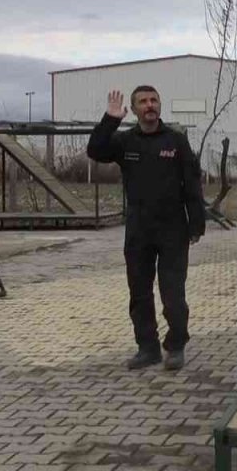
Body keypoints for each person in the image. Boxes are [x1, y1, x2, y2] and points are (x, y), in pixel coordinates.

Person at [87, 85, 205, 370]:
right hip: (139, 230)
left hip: (173, 230)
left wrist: (197, 223)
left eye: (154, 100)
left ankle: (176, 345)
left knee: (173, 294)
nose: (150, 105)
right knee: (139, 293)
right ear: (135, 108)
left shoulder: (176, 141)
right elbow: (96, 150)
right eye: (143, 101)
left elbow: (192, 183)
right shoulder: (126, 141)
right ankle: (147, 348)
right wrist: (110, 119)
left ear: (160, 105)